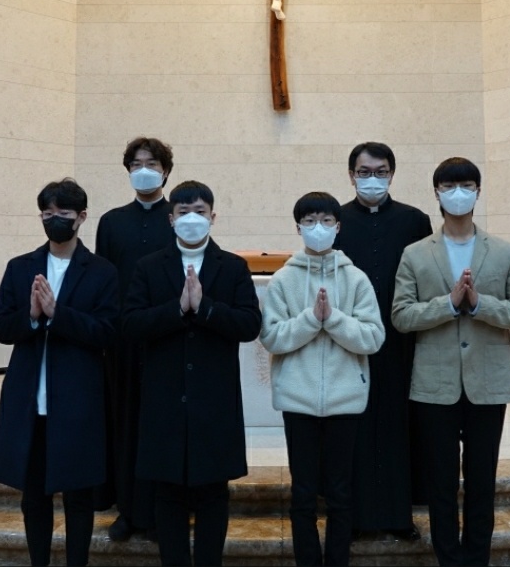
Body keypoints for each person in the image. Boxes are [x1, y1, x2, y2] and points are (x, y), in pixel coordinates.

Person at [392, 157, 510, 567]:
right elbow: (401, 316)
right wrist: (449, 304)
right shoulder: (415, 254)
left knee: (481, 480)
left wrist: (478, 304)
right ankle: (448, 558)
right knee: (440, 482)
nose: (458, 193)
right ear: (437, 193)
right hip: (434, 385)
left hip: (488, 383)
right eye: (449, 186)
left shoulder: (505, 252)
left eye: (467, 185)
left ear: (478, 192)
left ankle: (476, 557)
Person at [122, 180, 262, 566]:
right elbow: (130, 324)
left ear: (213, 217)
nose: (192, 219)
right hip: (164, 400)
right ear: (171, 219)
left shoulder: (233, 267)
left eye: (200, 212)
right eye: (183, 212)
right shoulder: (149, 266)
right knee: (167, 494)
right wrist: (176, 309)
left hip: (214, 402)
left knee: (214, 495)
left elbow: (250, 324)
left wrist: (205, 307)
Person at [0, 178, 119, 567]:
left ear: (81, 217)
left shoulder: (102, 271)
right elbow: (0, 326)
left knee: (78, 497)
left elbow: (107, 332)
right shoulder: (20, 267)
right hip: (29, 400)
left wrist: (59, 314)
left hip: (78, 400)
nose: (54, 219)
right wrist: (31, 316)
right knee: (34, 496)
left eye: (63, 213)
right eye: (47, 213)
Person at [260, 192, 386, 567]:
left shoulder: (356, 279)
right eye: (310, 221)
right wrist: (310, 319)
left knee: (340, 493)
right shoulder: (283, 280)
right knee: (302, 494)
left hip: (345, 401)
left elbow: (373, 337)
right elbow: (272, 337)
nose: (319, 228)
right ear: (298, 227)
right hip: (297, 401)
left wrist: (332, 318)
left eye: (326, 221)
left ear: (338, 226)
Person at [333, 142, 432, 541]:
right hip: (350, 339)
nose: (372, 179)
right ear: (351, 175)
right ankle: (356, 518)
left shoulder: (414, 220)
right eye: (364, 172)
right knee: (354, 429)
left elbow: (426, 276)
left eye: (380, 171)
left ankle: (398, 515)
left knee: (398, 427)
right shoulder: (336, 220)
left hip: (401, 341)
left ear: (392, 174)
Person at [94, 136, 176, 541]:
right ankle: (128, 510)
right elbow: (102, 280)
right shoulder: (111, 222)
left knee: (161, 427)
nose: (144, 170)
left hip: (165, 338)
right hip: (123, 341)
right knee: (125, 424)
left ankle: (162, 513)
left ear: (166, 171)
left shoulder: (178, 218)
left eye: (152, 164)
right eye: (136, 164)